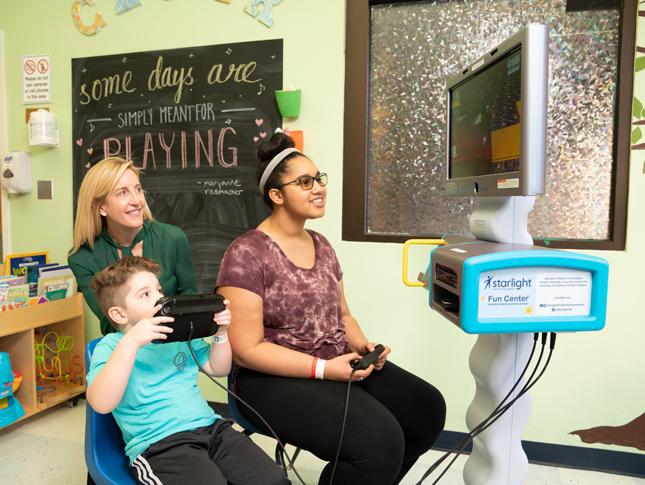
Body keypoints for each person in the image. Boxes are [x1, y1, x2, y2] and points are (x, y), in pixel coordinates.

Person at [216, 132, 447, 485]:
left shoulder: (321, 245)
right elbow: (247, 351)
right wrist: (323, 369)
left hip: (334, 362)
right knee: (378, 440)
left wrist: (364, 347)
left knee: (427, 410)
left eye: (319, 178)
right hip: (267, 380)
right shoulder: (246, 253)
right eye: (305, 182)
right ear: (276, 196)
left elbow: (344, 316)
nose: (319, 187)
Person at [87, 256, 290, 485]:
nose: (159, 298)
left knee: (274, 480)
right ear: (119, 314)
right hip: (161, 445)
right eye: (145, 294)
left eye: (158, 290)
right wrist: (131, 342)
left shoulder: (179, 335)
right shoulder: (112, 347)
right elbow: (102, 403)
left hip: (213, 429)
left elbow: (218, 368)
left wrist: (220, 332)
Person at [69, 157, 197, 335]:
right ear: (100, 207)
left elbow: (191, 307)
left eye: (138, 189)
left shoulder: (173, 238)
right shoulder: (82, 258)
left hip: (174, 347)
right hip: (123, 350)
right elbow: (110, 323)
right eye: (122, 193)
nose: (137, 200)